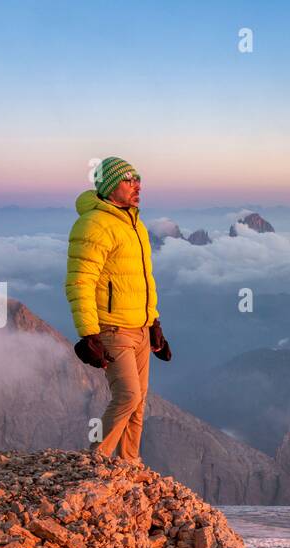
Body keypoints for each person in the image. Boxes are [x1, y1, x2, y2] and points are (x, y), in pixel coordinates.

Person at [65, 156, 171, 460]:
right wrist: (88, 334)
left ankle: (129, 465)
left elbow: (143, 280)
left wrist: (154, 323)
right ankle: (96, 462)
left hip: (140, 328)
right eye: (129, 180)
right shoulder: (94, 224)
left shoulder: (135, 223)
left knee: (139, 403)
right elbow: (80, 281)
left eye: (138, 179)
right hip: (112, 329)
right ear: (111, 186)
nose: (137, 185)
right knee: (127, 396)